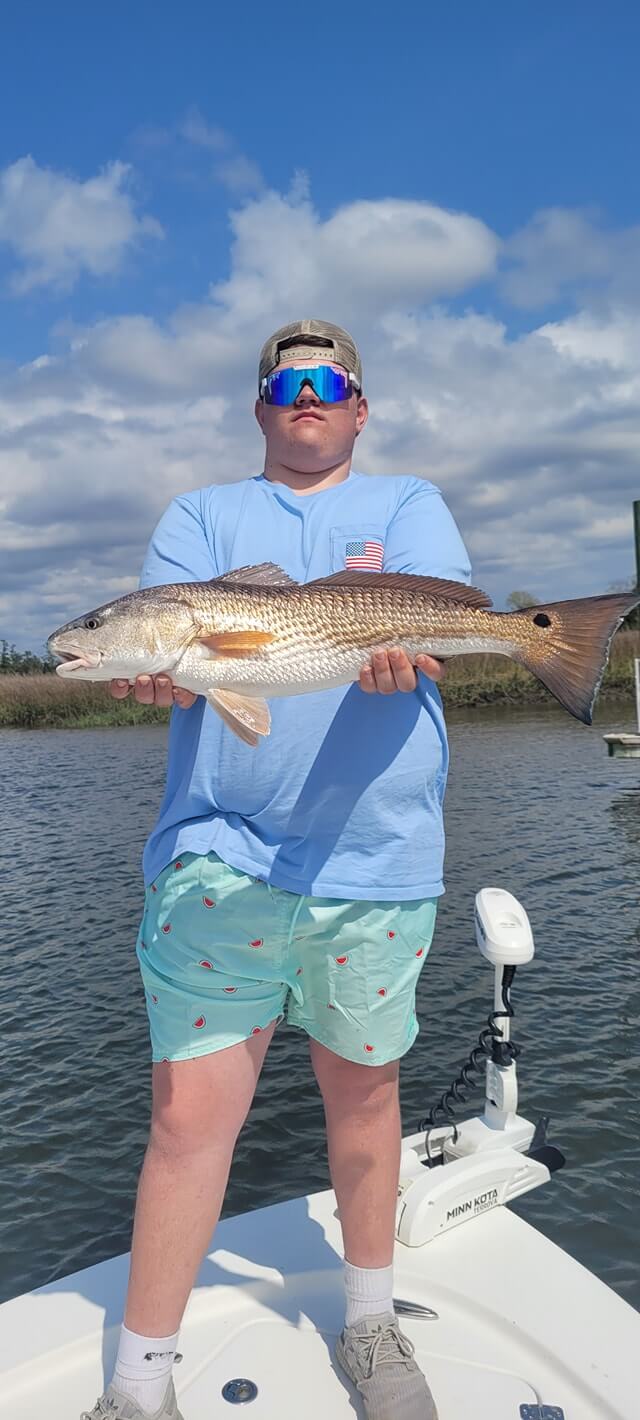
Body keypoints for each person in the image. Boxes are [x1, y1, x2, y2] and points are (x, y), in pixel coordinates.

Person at [83, 319, 471, 1420]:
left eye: (329, 380)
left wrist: (408, 648)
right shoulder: (201, 517)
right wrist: (156, 659)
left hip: (377, 859)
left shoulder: (406, 503)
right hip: (219, 857)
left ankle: (369, 1323)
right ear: (260, 406)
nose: (307, 394)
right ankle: (137, 1382)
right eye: (286, 381)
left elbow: (435, 617)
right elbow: (205, 664)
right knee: (186, 1120)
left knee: (365, 1100)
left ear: (358, 405)